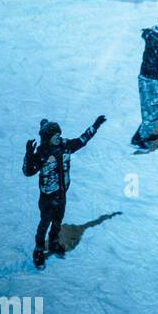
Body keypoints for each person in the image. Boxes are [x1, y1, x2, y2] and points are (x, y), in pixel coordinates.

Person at [23, 115, 105, 268]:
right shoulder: (42, 153)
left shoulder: (65, 145)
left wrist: (96, 125)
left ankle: (53, 242)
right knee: (44, 223)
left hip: (61, 194)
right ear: (47, 137)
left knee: (57, 222)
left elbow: (82, 140)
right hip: (47, 197)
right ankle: (39, 249)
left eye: (59, 134)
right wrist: (28, 154)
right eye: (55, 136)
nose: (58, 137)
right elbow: (28, 172)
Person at [132, 13, 158, 149]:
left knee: (147, 108)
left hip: (143, 76)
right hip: (154, 80)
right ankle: (140, 138)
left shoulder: (151, 33)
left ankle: (142, 134)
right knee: (156, 111)